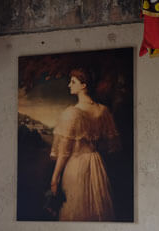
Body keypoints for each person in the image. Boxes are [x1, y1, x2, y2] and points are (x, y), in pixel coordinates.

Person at [49, 68, 120, 221]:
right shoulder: (103, 111)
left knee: (76, 209)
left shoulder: (72, 114)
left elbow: (64, 152)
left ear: (84, 85)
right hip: (96, 163)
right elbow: (105, 145)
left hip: (76, 166)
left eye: (73, 82)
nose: (69, 85)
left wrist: (54, 178)